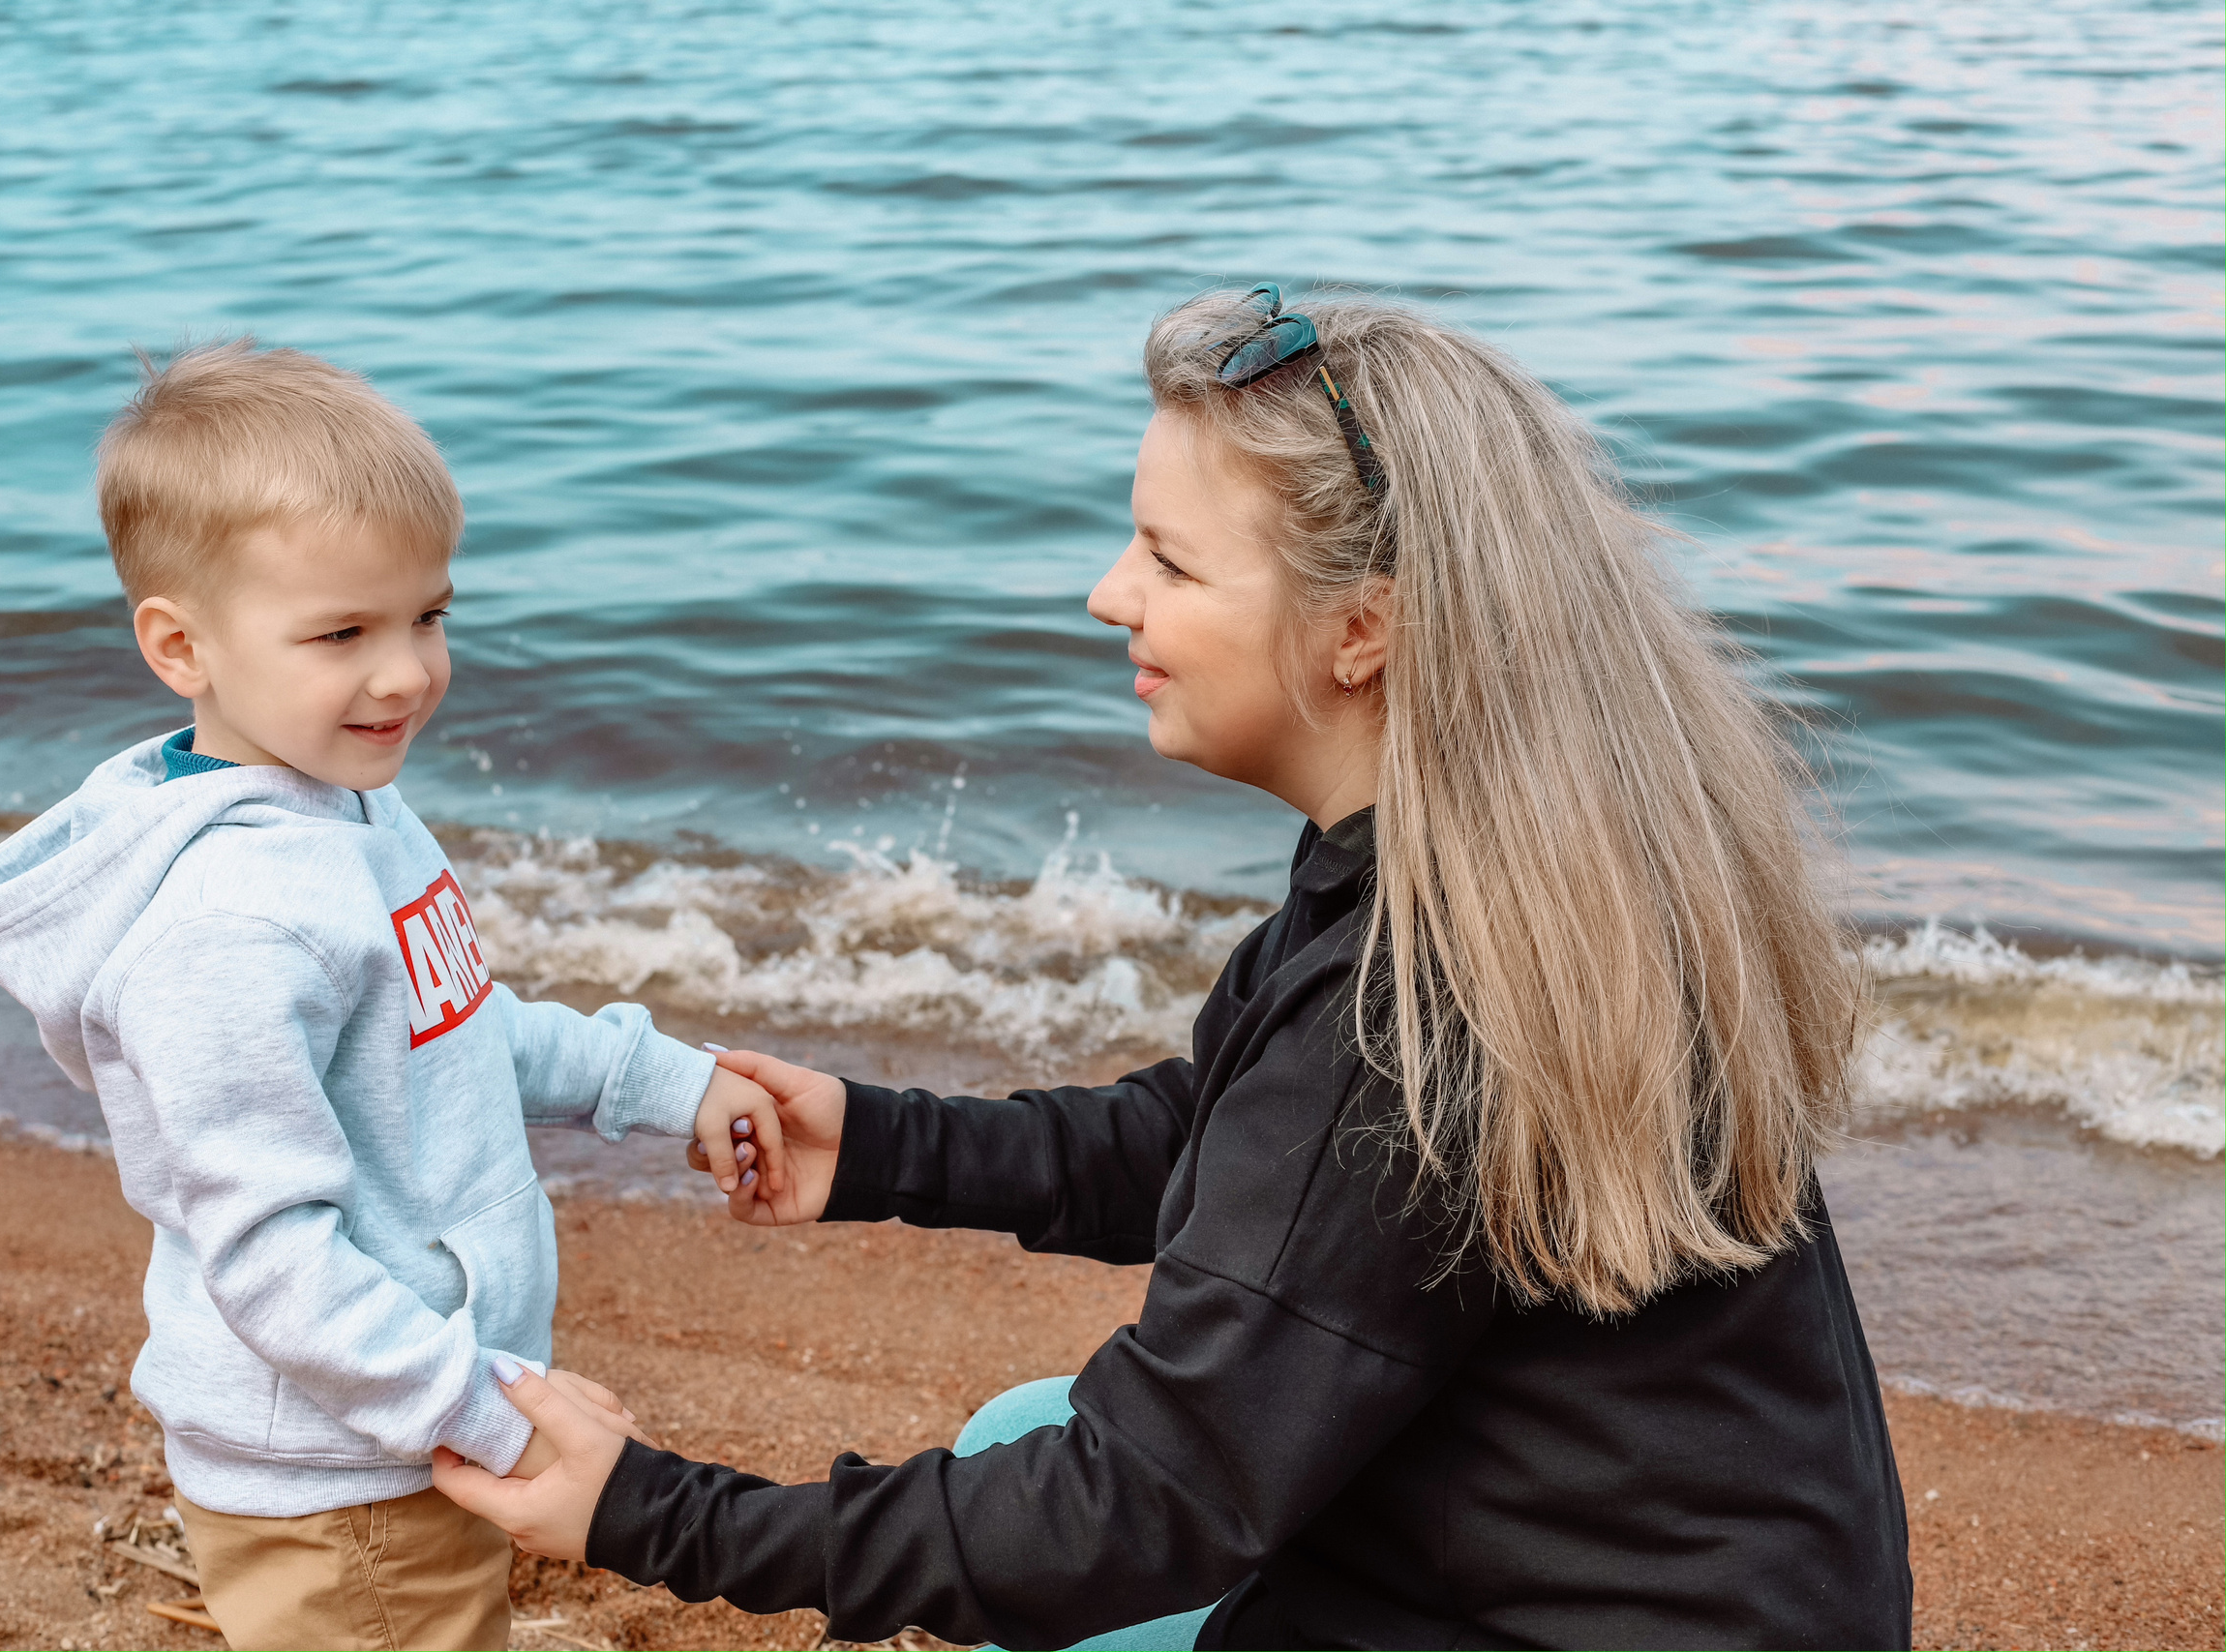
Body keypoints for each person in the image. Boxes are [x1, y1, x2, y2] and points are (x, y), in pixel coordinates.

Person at [434, 287, 1913, 1650]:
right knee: (1031, 1418)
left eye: (1169, 558)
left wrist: (650, 1511)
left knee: (1053, 1490)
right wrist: (881, 1142)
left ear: (1363, 628)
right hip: (1743, 1600)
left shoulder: (1410, 1019)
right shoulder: (1508, 872)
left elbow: (1129, 1515)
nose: (1106, 595)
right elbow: (1222, 1145)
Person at [0, 341, 785, 1652]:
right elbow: (271, 1256)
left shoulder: (347, 805)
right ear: (180, 645)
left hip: (400, 1427)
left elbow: (453, 1033)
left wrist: (665, 1082)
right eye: (342, 634)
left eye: (428, 616)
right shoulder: (230, 927)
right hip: (340, 1475)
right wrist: (490, 1408)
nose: (405, 673)